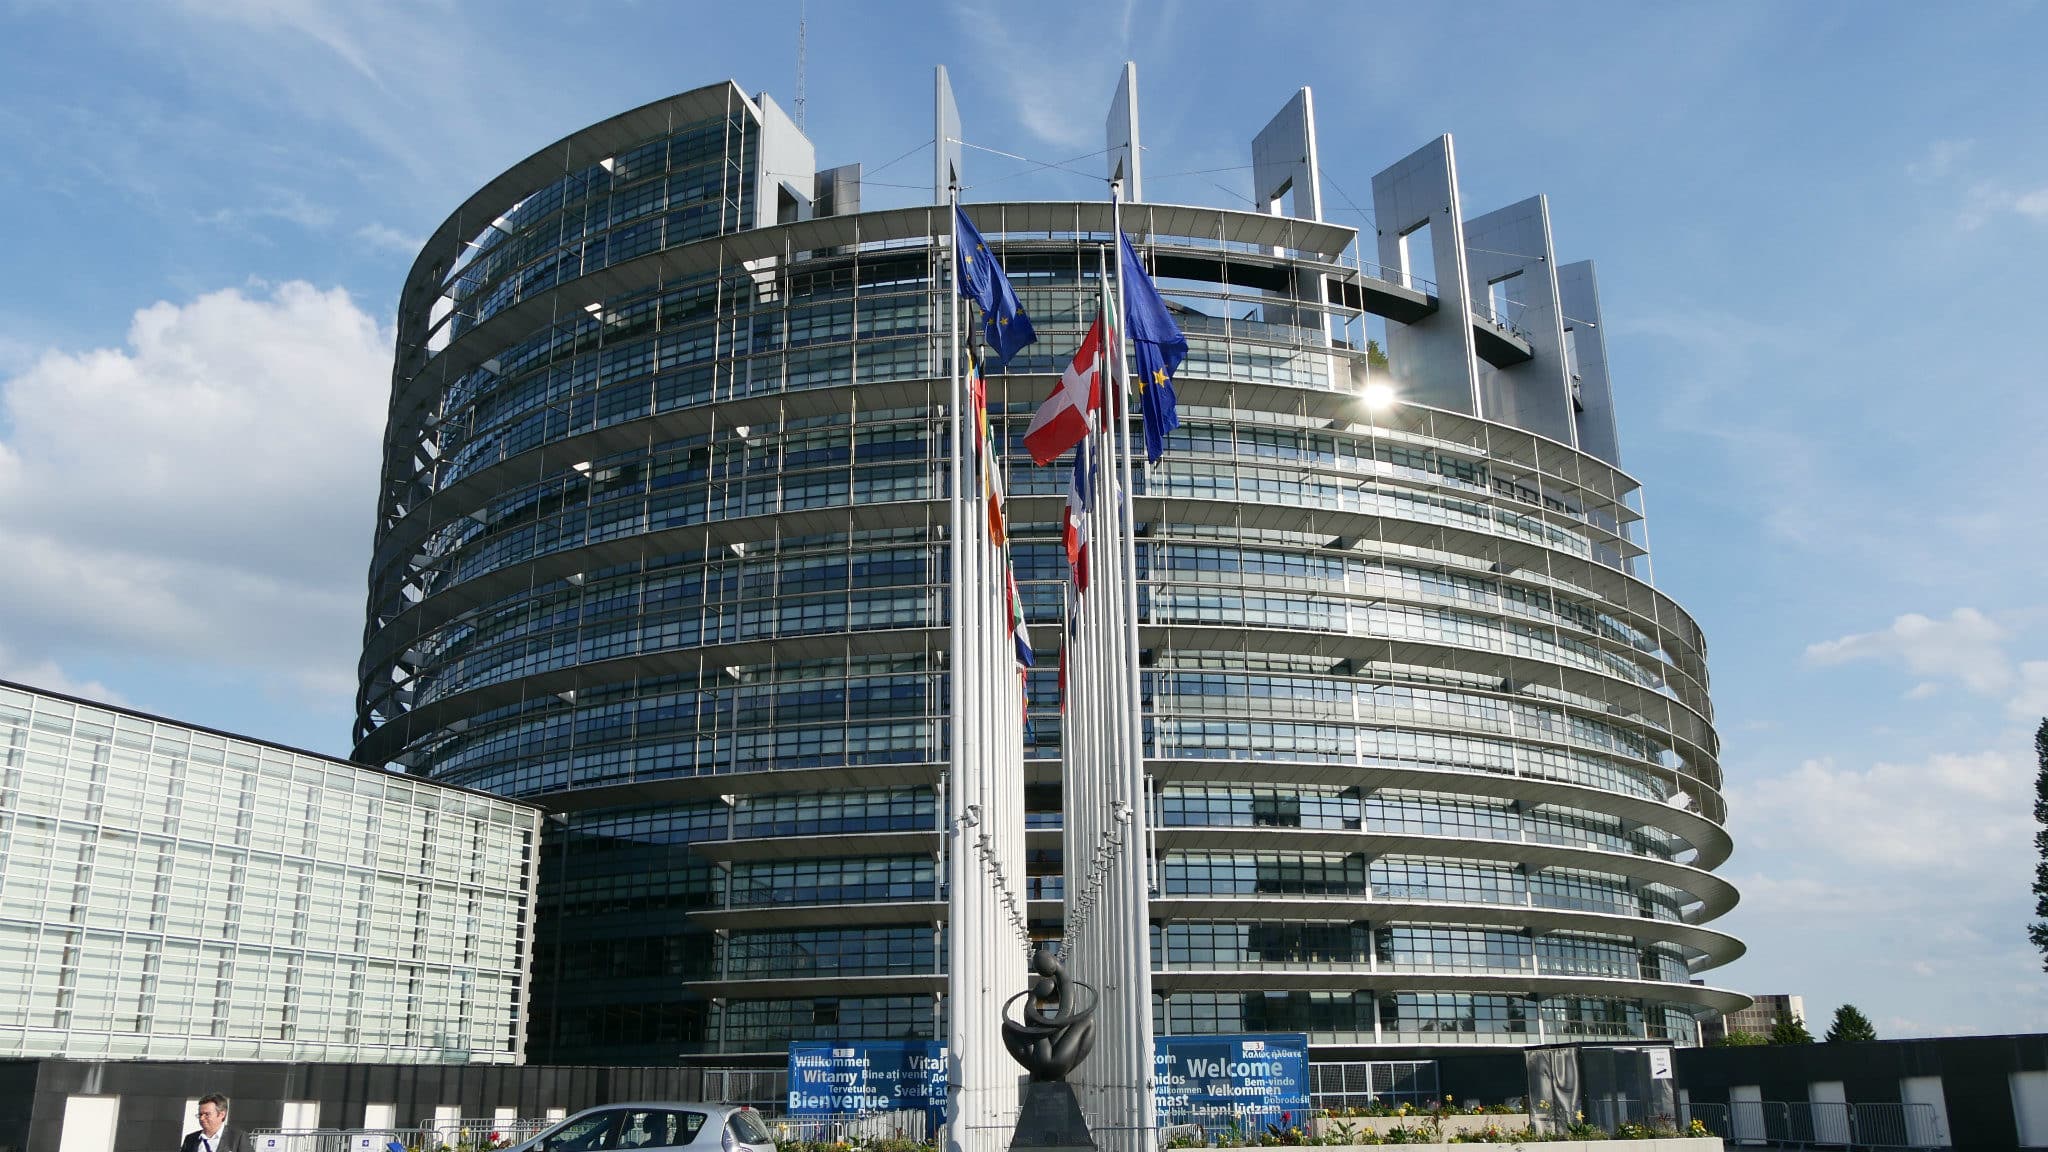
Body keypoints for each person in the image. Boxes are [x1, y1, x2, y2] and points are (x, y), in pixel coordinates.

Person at [182, 1094, 251, 1152]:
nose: (202, 1118)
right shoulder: (190, 1139)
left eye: (207, 1114)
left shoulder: (237, 1138)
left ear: (221, 1114)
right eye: (200, 1114)